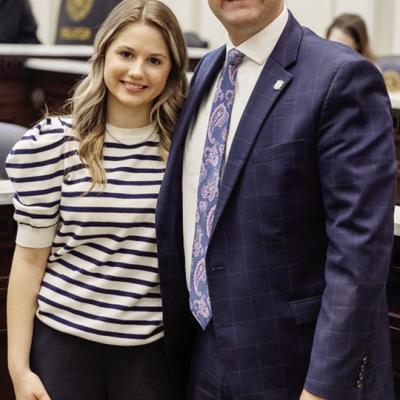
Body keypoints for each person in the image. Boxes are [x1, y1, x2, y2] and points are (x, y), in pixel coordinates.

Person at [156, 0, 396, 399]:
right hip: (203, 355)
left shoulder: (340, 75)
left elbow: (359, 251)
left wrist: (324, 387)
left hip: (293, 369)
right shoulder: (207, 71)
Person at [5, 0, 188, 399]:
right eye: (126, 54)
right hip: (64, 347)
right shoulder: (54, 143)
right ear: (103, 54)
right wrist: (19, 370)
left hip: (149, 355)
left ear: (172, 70)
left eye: (155, 60)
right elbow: (29, 261)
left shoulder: (184, 151)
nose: (137, 71)